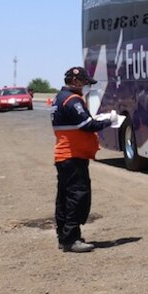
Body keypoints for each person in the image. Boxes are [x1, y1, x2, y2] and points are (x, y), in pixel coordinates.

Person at [51, 66, 117, 253]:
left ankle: (64, 237)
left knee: (64, 198)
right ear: (75, 81)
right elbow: (87, 125)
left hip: (65, 156)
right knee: (77, 197)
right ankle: (71, 239)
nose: (86, 86)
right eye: (85, 82)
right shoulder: (72, 100)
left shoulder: (59, 98)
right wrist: (109, 121)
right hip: (73, 157)